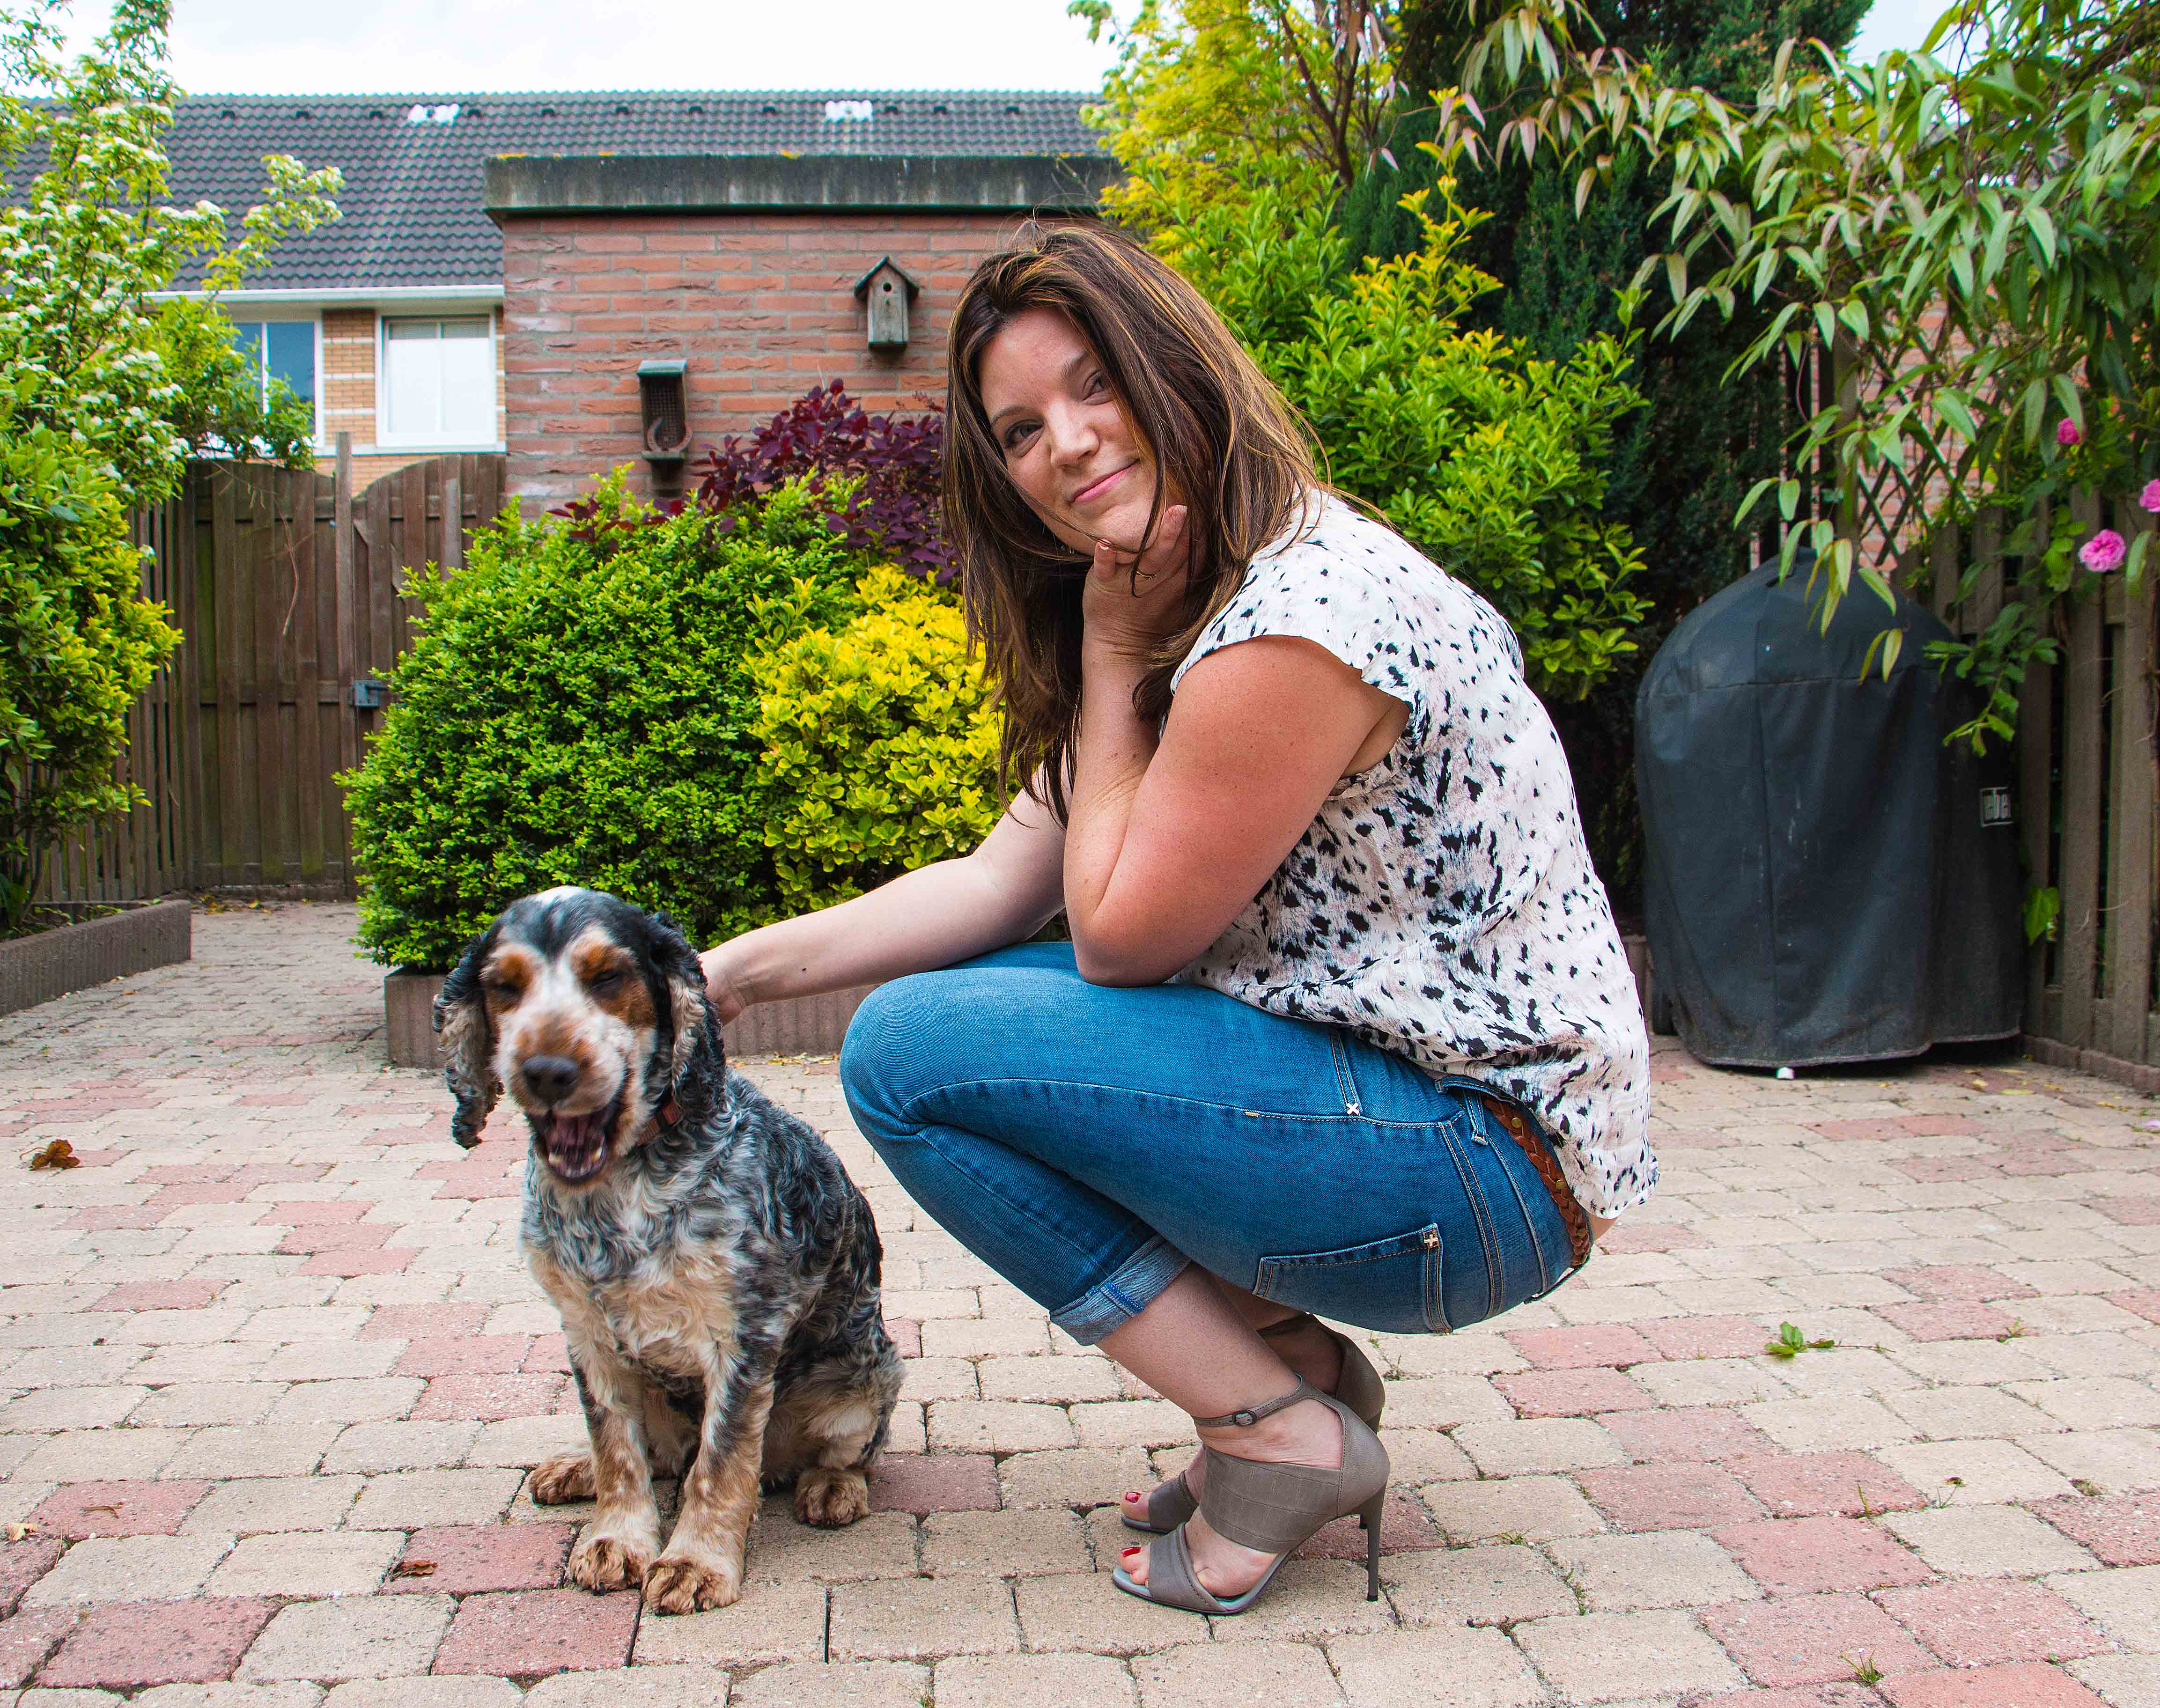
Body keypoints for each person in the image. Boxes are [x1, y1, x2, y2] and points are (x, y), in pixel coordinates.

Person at [698, 221, 1653, 1617]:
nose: (1070, 442)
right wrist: (713, 980)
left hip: (1481, 1169)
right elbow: (993, 882)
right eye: (1022, 430)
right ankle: (1293, 1375)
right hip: (1423, 1131)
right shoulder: (1206, 599)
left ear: (1174, 365)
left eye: (1096, 384)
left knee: (911, 1055)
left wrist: (1106, 657)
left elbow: (1117, 937)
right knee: (961, 1021)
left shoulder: (1296, 618)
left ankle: (1273, 1429)